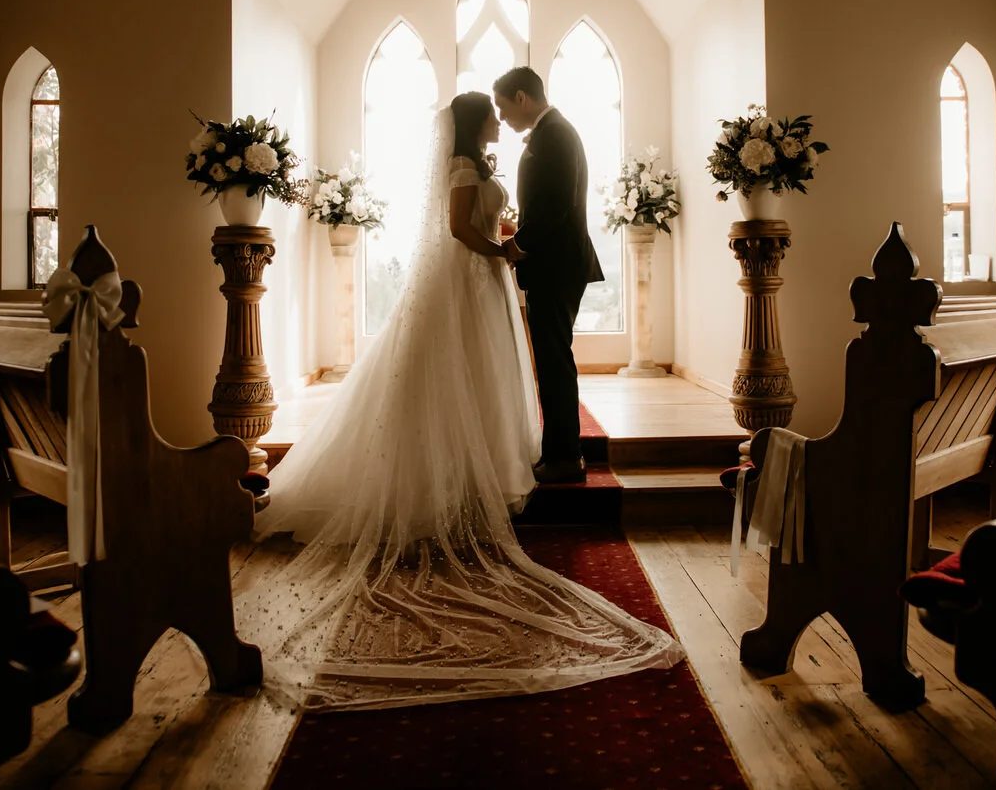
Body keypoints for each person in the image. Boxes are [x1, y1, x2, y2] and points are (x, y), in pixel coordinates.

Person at [245, 91, 679, 712]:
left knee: (493, 371)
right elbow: (455, 227)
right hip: (472, 277)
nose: (499, 119)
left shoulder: (491, 163)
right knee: (466, 370)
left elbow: (485, 219)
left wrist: (503, 240)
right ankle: (455, 471)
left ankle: (500, 455)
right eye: (491, 113)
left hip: (490, 277)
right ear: (474, 122)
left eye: (504, 109)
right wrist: (500, 247)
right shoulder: (465, 167)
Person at [493, 66, 604, 485]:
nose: (503, 118)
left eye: (505, 108)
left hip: (556, 264)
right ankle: (561, 450)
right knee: (554, 358)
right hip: (556, 262)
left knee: (555, 360)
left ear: (522, 97)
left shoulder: (554, 134)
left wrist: (518, 245)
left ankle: (566, 456)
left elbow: (555, 205)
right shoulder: (552, 132)